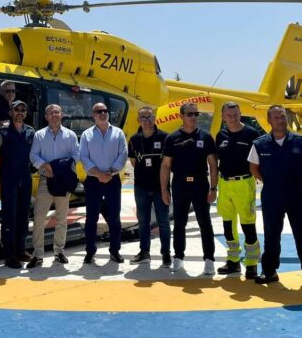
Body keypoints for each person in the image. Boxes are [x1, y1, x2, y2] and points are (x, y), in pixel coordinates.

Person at [248, 105, 302, 289]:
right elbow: (253, 167)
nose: (281, 120)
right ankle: (269, 271)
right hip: (271, 196)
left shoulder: (301, 142)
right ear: (269, 121)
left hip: (296, 195)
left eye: (283, 117)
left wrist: (294, 181)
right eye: (276, 117)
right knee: (271, 235)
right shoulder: (259, 144)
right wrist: (269, 182)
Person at [160, 102, 218, 275]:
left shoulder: (206, 137)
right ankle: (178, 257)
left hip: (200, 184)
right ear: (181, 116)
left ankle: (209, 259)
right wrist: (164, 189)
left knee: (204, 222)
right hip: (180, 184)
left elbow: (213, 165)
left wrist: (213, 188)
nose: (194, 117)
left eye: (196, 114)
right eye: (190, 114)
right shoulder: (172, 138)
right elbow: (165, 165)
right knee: (179, 223)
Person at [28, 104, 80, 268]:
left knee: (62, 219)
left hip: (63, 181)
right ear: (46, 117)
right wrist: (45, 166)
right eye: (50, 113)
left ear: (61, 114)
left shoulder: (71, 135)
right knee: (39, 219)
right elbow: (33, 155)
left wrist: (62, 166)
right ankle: (38, 254)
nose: (54, 115)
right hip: (45, 180)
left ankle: (59, 251)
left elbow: (77, 154)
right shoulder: (39, 135)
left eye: (56, 112)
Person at [214, 102, 261, 279]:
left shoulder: (251, 134)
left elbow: (258, 160)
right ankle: (233, 260)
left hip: (244, 183)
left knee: (248, 224)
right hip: (224, 183)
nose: (233, 118)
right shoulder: (221, 135)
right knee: (227, 224)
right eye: (229, 115)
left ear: (240, 114)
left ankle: (251, 263)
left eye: (235, 114)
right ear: (223, 116)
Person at [80, 102, 128, 264]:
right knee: (91, 217)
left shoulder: (118, 133)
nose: (103, 113)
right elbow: (84, 157)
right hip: (93, 180)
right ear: (93, 115)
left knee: (114, 217)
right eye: (99, 111)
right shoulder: (86, 134)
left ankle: (115, 251)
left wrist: (111, 172)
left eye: (105, 111)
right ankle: (90, 251)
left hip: (112, 179)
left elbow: (123, 154)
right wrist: (99, 174)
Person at [0, 100, 36, 269]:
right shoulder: (2, 131)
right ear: (10, 112)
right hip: (9, 177)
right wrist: (1, 170)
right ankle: (9, 254)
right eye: (16, 109)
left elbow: (35, 153)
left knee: (24, 214)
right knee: (9, 215)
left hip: (25, 177)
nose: (19, 112)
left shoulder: (30, 132)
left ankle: (21, 249)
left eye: (22, 110)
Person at [127, 106, 171, 267]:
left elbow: (168, 163)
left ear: (155, 118)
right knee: (143, 220)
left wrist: (165, 188)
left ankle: (166, 253)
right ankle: (144, 252)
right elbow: (133, 162)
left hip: (161, 187)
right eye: (143, 117)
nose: (147, 120)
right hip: (141, 187)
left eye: (150, 117)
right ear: (138, 120)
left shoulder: (165, 137)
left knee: (163, 221)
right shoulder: (134, 140)